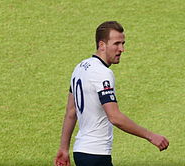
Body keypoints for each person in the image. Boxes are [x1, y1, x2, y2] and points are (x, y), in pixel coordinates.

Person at [54, 21, 169, 166]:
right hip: (96, 155)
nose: (122, 49)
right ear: (102, 45)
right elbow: (115, 117)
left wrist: (64, 149)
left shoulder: (80, 67)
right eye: (116, 43)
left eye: (123, 43)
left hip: (81, 152)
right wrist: (151, 136)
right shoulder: (103, 73)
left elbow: (71, 111)